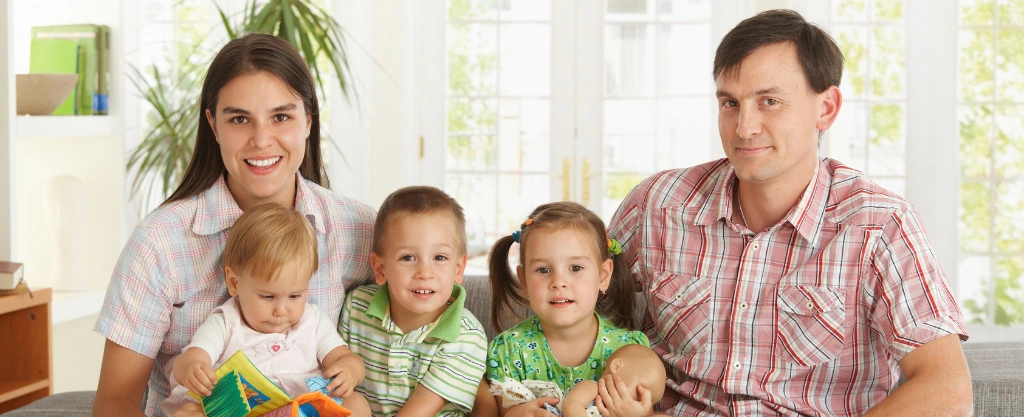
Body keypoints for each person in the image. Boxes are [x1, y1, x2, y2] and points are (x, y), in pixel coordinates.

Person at [606, 9, 972, 417]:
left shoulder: (879, 225)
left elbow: (947, 390)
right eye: (730, 103)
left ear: (826, 108)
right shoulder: (656, 204)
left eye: (770, 101)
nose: (744, 128)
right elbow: (575, 322)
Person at [92, 33, 376, 417]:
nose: (262, 140)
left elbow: (426, 326)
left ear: (308, 120)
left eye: (282, 116)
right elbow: (115, 404)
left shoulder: (357, 228)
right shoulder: (158, 243)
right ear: (213, 123)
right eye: (239, 119)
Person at [163, 203, 371, 417]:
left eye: (295, 296)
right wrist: (191, 369)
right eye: (267, 297)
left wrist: (350, 370)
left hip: (302, 409)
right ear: (234, 283)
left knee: (357, 404)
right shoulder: (226, 322)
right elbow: (192, 357)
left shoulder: (313, 321)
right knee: (189, 414)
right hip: (241, 411)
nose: (281, 310)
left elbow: (345, 358)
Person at [484, 201, 652, 417]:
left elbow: (647, 409)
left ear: (603, 276)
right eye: (543, 269)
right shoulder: (507, 350)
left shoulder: (631, 350)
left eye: (576, 268)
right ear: (524, 281)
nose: (559, 282)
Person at [339, 186, 488, 417]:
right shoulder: (356, 306)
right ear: (380, 268)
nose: (425, 272)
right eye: (407, 257)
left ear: (458, 269)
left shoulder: (466, 335)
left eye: (439, 257)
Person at [565, 344, 666, 417]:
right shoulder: (592, 388)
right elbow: (571, 404)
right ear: (616, 367)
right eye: (641, 391)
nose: (643, 406)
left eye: (650, 404)